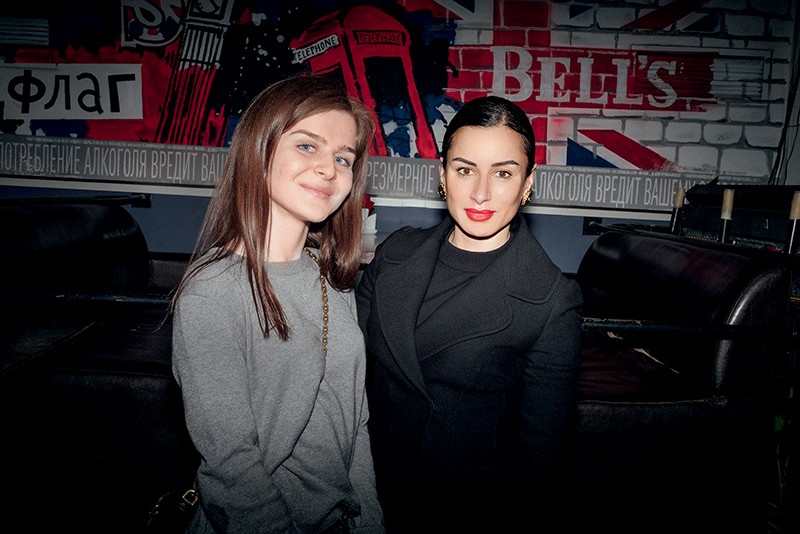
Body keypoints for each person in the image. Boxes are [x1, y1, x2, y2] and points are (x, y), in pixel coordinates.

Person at [355, 96, 583, 532]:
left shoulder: (552, 300)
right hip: (361, 493)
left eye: (503, 173)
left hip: (463, 511)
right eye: (465, 170)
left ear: (528, 182)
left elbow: (539, 458)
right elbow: (346, 374)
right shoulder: (396, 253)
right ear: (442, 175)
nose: (481, 192)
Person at [171, 75, 384, 533]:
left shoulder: (332, 281)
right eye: (307, 146)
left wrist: (369, 523)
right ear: (259, 150)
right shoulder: (213, 293)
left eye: (343, 158)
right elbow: (231, 466)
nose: (329, 169)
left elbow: (354, 424)